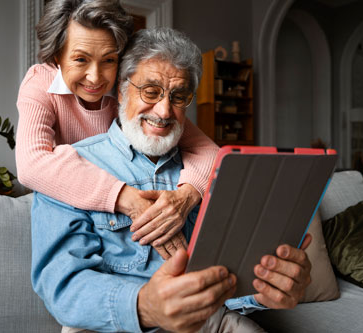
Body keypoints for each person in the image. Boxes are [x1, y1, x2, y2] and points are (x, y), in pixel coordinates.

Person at [31, 27, 312, 333]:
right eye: (150, 91)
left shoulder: (208, 170)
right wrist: (143, 305)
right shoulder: (68, 167)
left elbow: (225, 280)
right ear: (122, 91)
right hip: (112, 326)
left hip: (208, 321)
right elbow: (63, 288)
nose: (164, 111)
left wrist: (266, 289)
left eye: (179, 97)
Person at [16, 0, 218, 257]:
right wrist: (127, 198)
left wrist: (185, 197)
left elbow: (208, 151)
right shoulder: (40, 82)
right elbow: (32, 164)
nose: (96, 77)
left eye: (109, 60)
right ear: (57, 55)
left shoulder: (128, 90)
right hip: (67, 203)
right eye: (80, 59)